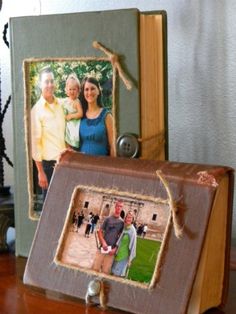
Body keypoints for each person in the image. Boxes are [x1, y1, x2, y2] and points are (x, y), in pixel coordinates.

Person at [31, 66, 66, 199]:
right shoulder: (36, 111)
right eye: (46, 82)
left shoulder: (61, 105)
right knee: (50, 209)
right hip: (48, 167)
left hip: (64, 164)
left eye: (52, 81)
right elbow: (35, 144)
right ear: (40, 84)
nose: (50, 85)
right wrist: (40, 172)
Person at [79, 76, 115, 156]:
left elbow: (113, 146)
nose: (89, 92)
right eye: (86, 89)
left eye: (92, 88)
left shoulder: (107, 116)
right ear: (83, 93)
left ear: (98, 91)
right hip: (82, 165)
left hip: (101, 165)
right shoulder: (81, 115)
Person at [92, 201, 124, 274]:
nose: (119, 207)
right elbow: (100, 232)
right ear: (115, 206)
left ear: (122, 208)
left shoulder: (122, 223)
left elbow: (121, 238)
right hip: (102, 248)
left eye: (121, 206)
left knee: (105, 272)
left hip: (111, 251)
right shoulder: (108, 219)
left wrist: (115, 249)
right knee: (95, 269)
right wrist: (103, 243)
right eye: (118, 206)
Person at [111, 211, 137, 277]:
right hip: (118, 254)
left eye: (130, 218)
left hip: (124, 256)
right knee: (113, 273)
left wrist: (130, 260)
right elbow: (120, 241)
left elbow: (133, 246)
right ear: (125, 218)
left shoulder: (132, 231)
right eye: (127, 217)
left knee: (116, 275)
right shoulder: (125, 228)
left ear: (132, 220)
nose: (128, 219)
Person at [62, 73, 83, 149]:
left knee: (72, 138)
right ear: (67, 90)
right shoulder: (66, 100)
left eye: (74, 89)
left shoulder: (77, 102)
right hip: (67, 124)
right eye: (70, 89)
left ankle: (72, 149)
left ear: (78, 90)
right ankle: (68, 150)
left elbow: (80, 113)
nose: (72, 91)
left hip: (74, 124)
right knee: (65, 139)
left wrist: (71, 116)